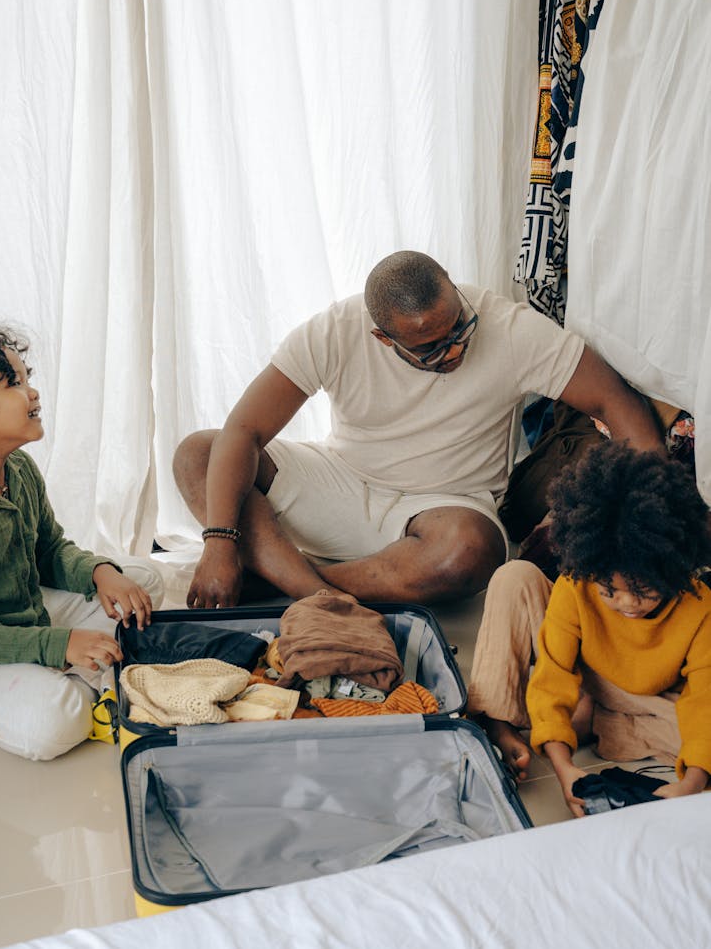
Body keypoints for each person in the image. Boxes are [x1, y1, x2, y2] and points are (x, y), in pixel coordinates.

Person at [174, 250, 662, 609]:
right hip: (342, 482)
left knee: (471, 553)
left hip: (444, 508)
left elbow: (615, 401)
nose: (452, 352)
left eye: (459, 331)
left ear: (451, 285)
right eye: (429, 349)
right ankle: (312, 590)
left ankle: (287, 580)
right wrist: (219, 541)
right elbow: (244, 429)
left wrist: (653, 513)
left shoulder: (510, 328)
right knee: (199, 451)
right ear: (382, 337)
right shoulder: (335, 330)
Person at [467, 441, 711, 816]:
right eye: (610, 592)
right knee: (514, 577)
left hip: (647, 700)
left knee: (703, 744)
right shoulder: (576, 584)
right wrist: (565, 771)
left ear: (673, 569)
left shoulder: (700, 607)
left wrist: (693, 782)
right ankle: (499, 722)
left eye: (644, 592)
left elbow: (704, 702)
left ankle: (589, 719)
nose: (627, 604)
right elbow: (552, 675)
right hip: (585, 675)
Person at [0, 326, 164, 760]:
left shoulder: (18, 469)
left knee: (142, 582)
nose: (32, 394)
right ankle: (76, 683)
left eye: (26, 379)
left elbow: (50, 551)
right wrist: (59, 644)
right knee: (55, 722)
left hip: (24, 614)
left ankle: (78, 675)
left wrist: (100, 572)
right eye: (13, 383)